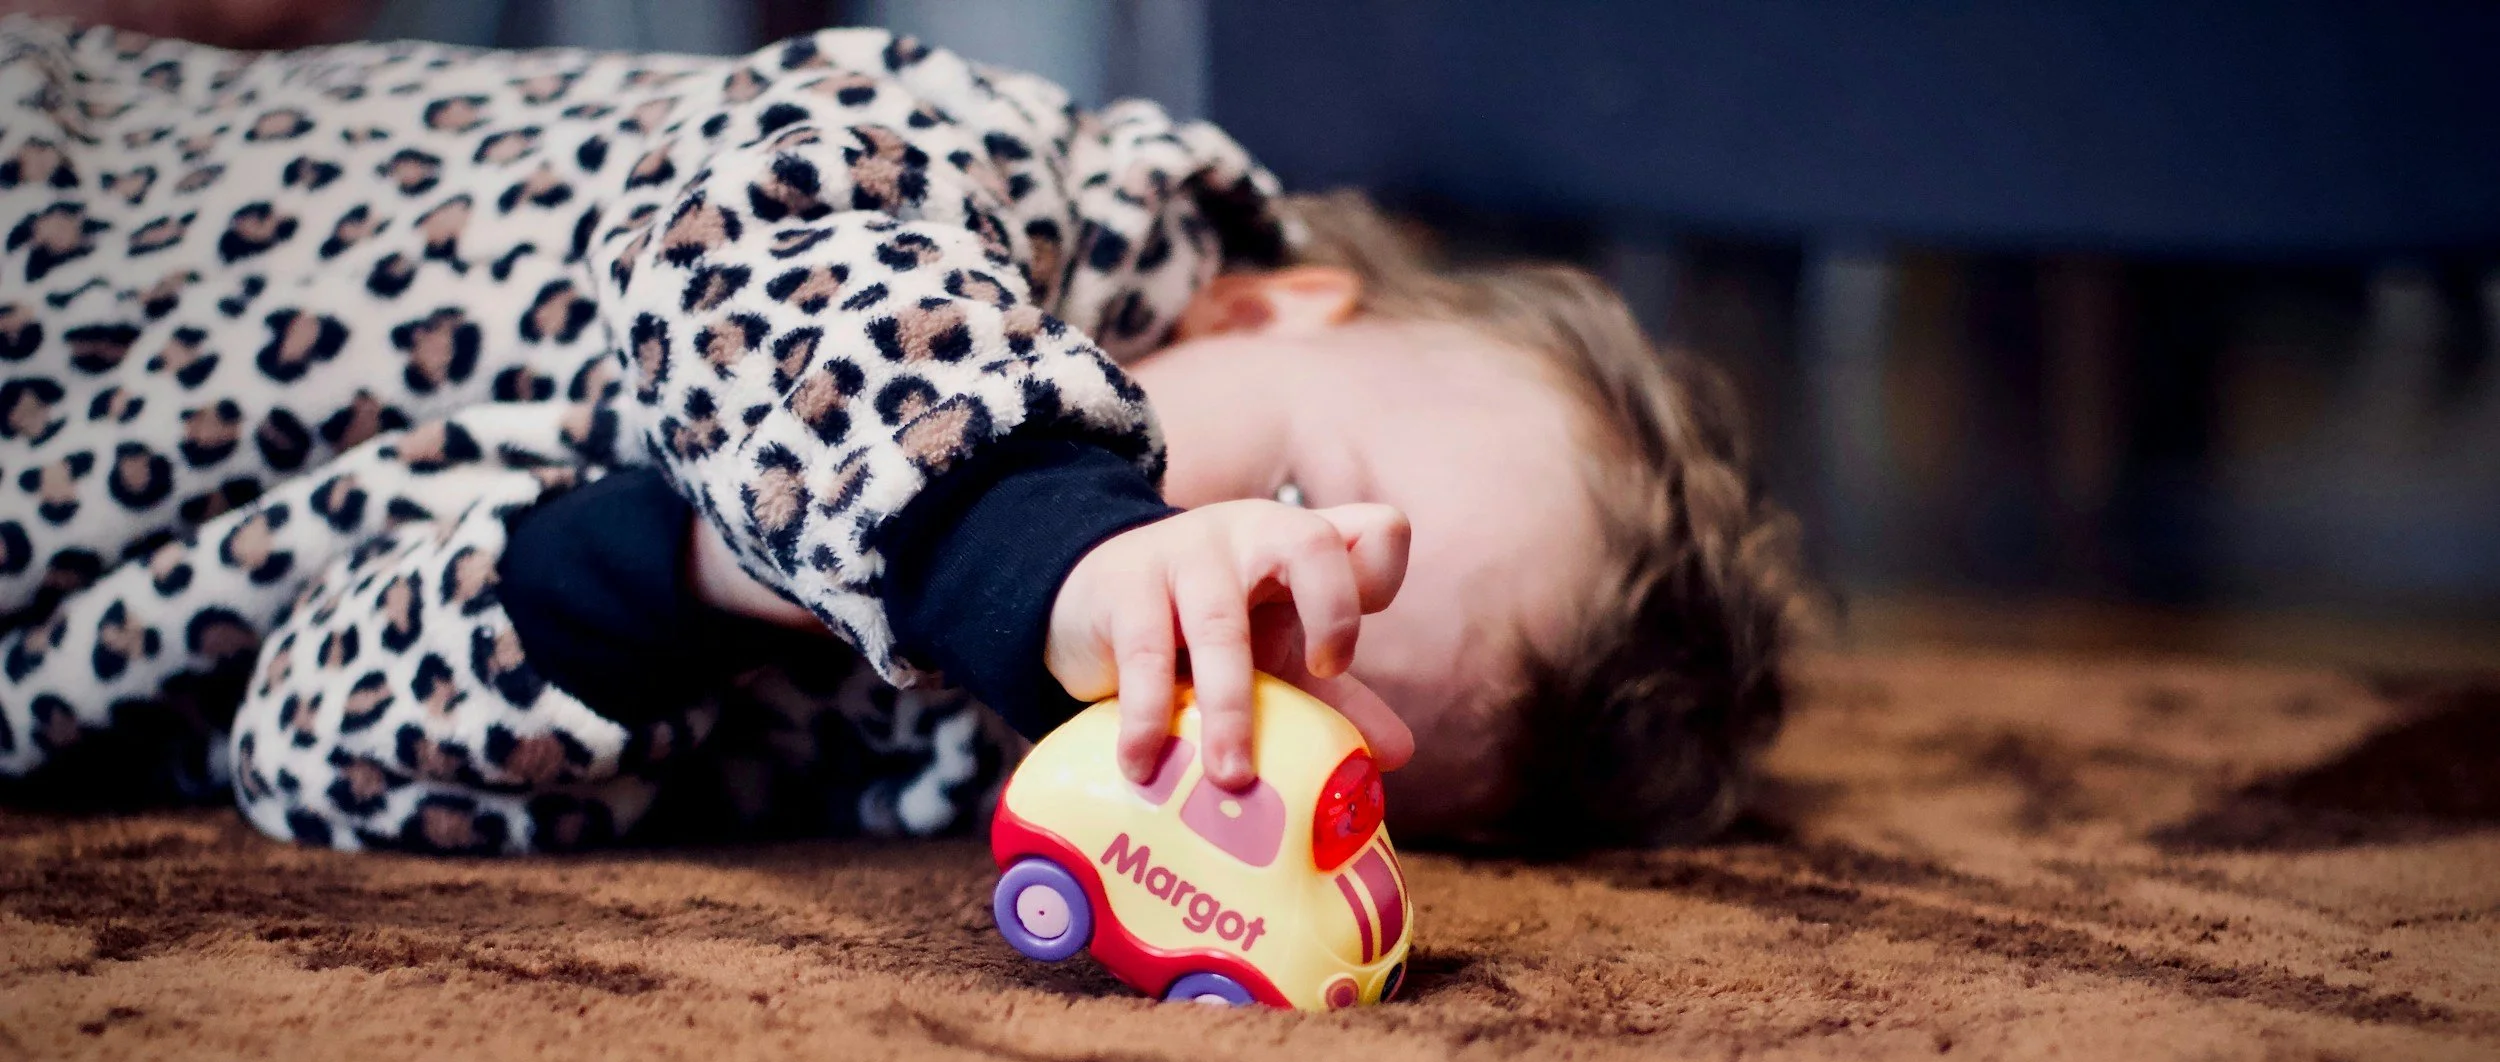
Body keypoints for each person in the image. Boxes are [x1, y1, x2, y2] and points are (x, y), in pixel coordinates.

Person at [0, 18, 1801, 856]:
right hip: (80, 201)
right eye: (1290, 509)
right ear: (1273, 306)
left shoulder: (945, 762)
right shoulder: (1015, 195)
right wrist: (1041, 532)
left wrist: (706, 576)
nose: (1215, 611)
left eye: (1293, 688)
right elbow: (774, 244)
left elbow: (310, 746)